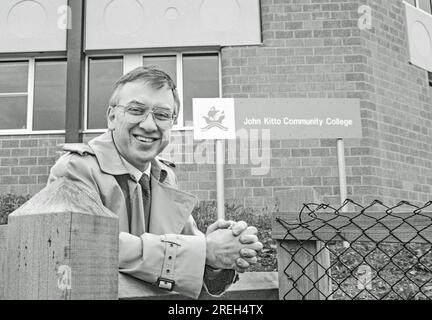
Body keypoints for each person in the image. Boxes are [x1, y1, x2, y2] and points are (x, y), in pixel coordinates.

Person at [48, 66, 263, 299]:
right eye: (136, 110)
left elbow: (190, 252)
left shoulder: (165, 176)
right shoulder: (75, 168)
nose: (149, 125)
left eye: (161, 115)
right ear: (111, 117)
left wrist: (221, 257)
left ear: (172, 122)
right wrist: (205, 250)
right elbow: (87, 245)